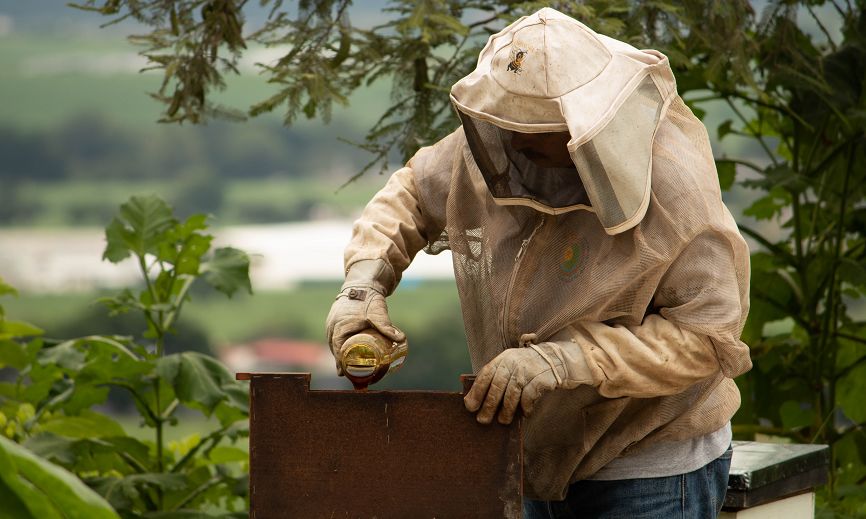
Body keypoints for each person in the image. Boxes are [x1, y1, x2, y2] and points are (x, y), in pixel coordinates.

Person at [326, 7, 751, 518]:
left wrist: (560, 360)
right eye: (507, 125)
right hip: (529, 445)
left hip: (648, 458)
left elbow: (707, 339)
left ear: (584, 122)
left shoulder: (675, 186)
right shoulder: (505, 140)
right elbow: (413, 193)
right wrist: (361, 290)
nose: (514, 142)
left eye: (533, 131)